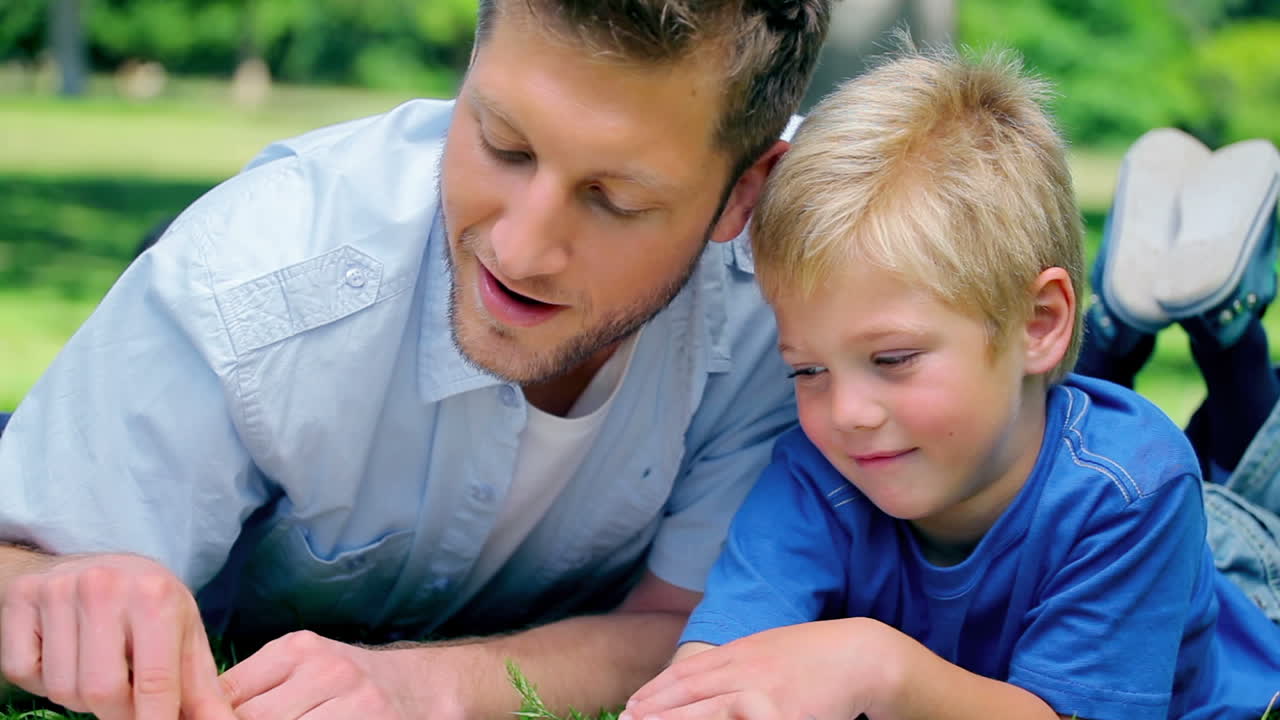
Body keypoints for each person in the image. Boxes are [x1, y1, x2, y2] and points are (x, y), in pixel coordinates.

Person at [0, 2, 831, 719]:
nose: (521, 248)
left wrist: (428, 687)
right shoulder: (257, 272)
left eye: (615, 199)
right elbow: (21, 560)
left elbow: (691, 626)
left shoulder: (801, 307)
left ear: (744, 195)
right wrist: (41, 582)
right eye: (503, 143)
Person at [622, 48, 1280, 720]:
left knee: (1252, 485)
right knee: (1029, 398)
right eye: (808, 370)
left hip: (1241, 573)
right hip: (1041, 424)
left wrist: (880, 668)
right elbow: (711, 666)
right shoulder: (815, 476)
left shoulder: (1132, 491)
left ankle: (1220, 334)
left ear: (1041, 322)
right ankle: (1115, 324)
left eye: (894, 358)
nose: (846, 414)